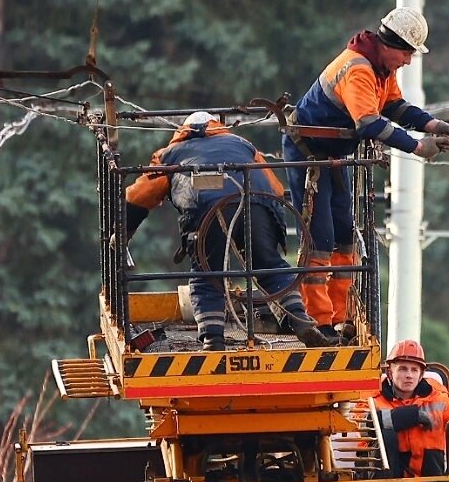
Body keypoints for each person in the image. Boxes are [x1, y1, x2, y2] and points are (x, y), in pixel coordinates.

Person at [284, 7, 449, 338]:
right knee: (319, 237)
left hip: (333, 155)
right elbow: (368, 122)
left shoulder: (380, 68)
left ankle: (340, 315)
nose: (408, 61)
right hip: (309, 155)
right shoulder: (359, 69)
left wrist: (433, 123)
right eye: (407, 53)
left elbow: (394, 106)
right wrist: (418, 147)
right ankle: (318, 320)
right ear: (392, 45)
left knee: (344, 235)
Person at [125, 112, 332, 351]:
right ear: (218, 126)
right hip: (257, 203)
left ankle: (213, 339)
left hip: (206, 212)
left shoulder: (169, 155)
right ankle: (299, 318)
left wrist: (123, 231)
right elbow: (275, 188)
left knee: (208, 274)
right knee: (270, 264)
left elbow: (138, 197)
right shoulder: (243, 145)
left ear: (183, 130)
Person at [371, 340, 449, 480]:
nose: (409, 375)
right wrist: (412, 415)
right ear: (390, 372)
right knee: (386, 435)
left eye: (414, 370)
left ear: (421, 374)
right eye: (402, 369)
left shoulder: (436, 398)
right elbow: (365, 423)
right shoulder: (373, 398)